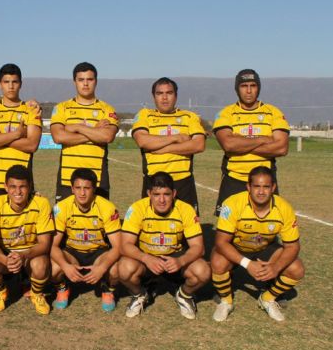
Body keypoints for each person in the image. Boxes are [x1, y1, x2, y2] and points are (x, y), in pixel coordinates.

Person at [210, 166, 304, 322]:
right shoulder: (232, 203)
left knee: (296, 269)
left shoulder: (284, 208)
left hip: (264, 248)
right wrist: (248, 264)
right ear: (248, 187)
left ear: (273, 187)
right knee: (218, 261)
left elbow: (293, 246)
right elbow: (221, 242)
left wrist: (276, 267)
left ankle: (267, 298)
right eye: (256, 186)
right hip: (237, 247)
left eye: (266, 186)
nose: (261, 191)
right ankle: (226, 301)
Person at [117, 172, 211, 320]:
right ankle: (140, 294)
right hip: (147, 258)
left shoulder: (185, 209)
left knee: (203, 270)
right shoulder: (137, 208)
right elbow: (125, 245)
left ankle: (184, 295)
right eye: (156, 194)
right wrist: (146, 258)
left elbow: (199, 247)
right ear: (149, 193)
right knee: (123, 268)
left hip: (174, 260)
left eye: (166, 194)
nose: (161, 200)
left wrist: (181, 261)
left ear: (174, 193)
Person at [212, 69, 290, 216]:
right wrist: (262, 139)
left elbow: (281, 148)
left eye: (253, 85)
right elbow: (228, 145)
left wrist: (240, 145)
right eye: (244, 86)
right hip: (233, 180)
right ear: (237, 89)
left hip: (264, 182)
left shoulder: (273, 112)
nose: (248, 91)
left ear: (258, 87)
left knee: (267, 226)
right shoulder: (225, 113)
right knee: (227, 230)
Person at [0, 165, 54, 315]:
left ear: (30, 187)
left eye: (22, 187)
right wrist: (5, 259)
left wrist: (23, 255)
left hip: (30, 253)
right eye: (13, 186)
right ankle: (0, 291)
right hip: (5, 253)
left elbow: (45, 244)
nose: (18, 192)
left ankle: (36, 293)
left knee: (41, 265)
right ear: (5, 187)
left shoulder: (42, 204)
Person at [50, 168, 121, 312]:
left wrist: (102, 267)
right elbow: (52, 245)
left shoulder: (107, 207)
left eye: (87, 188)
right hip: (72, 251)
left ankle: (107, 289)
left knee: (116, 269)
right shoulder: (62, 207)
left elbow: (118, 247)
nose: (82, 193)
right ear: (72, 189)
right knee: (53, 268)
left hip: (99, 252)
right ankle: (62, 288)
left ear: (94, 188)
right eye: (78, 188)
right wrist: (65, 266)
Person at [132, 77, 206, 214]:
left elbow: (199, 144)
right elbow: (142, 141)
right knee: (151, 228)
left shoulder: (189, 117)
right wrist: (176, 138)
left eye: (169, 93)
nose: (164, 98)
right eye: (159, 94)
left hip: (183, 182)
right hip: (153, 182)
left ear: (176, 96)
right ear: (153, 96)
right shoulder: (145, 115)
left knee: (187, 229)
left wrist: (162, 148)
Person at [50, 62, 118, 202]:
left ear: (96, 81)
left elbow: (107, 136)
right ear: (74, 82)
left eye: (90, 79)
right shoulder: (62, 108)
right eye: (81, 80)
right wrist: (94, 132)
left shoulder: (107, 109)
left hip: (98, 180)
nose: (85, 84)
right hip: (67, 179)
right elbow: (58, 136)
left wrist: (76, 127)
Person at [0, 63, 42, 196]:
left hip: (22, 182)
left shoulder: (31, 110)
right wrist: (16, 134)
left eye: (15, 82)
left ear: (21, 84)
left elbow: (32, 145)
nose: (11, 86)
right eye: (6, 82)